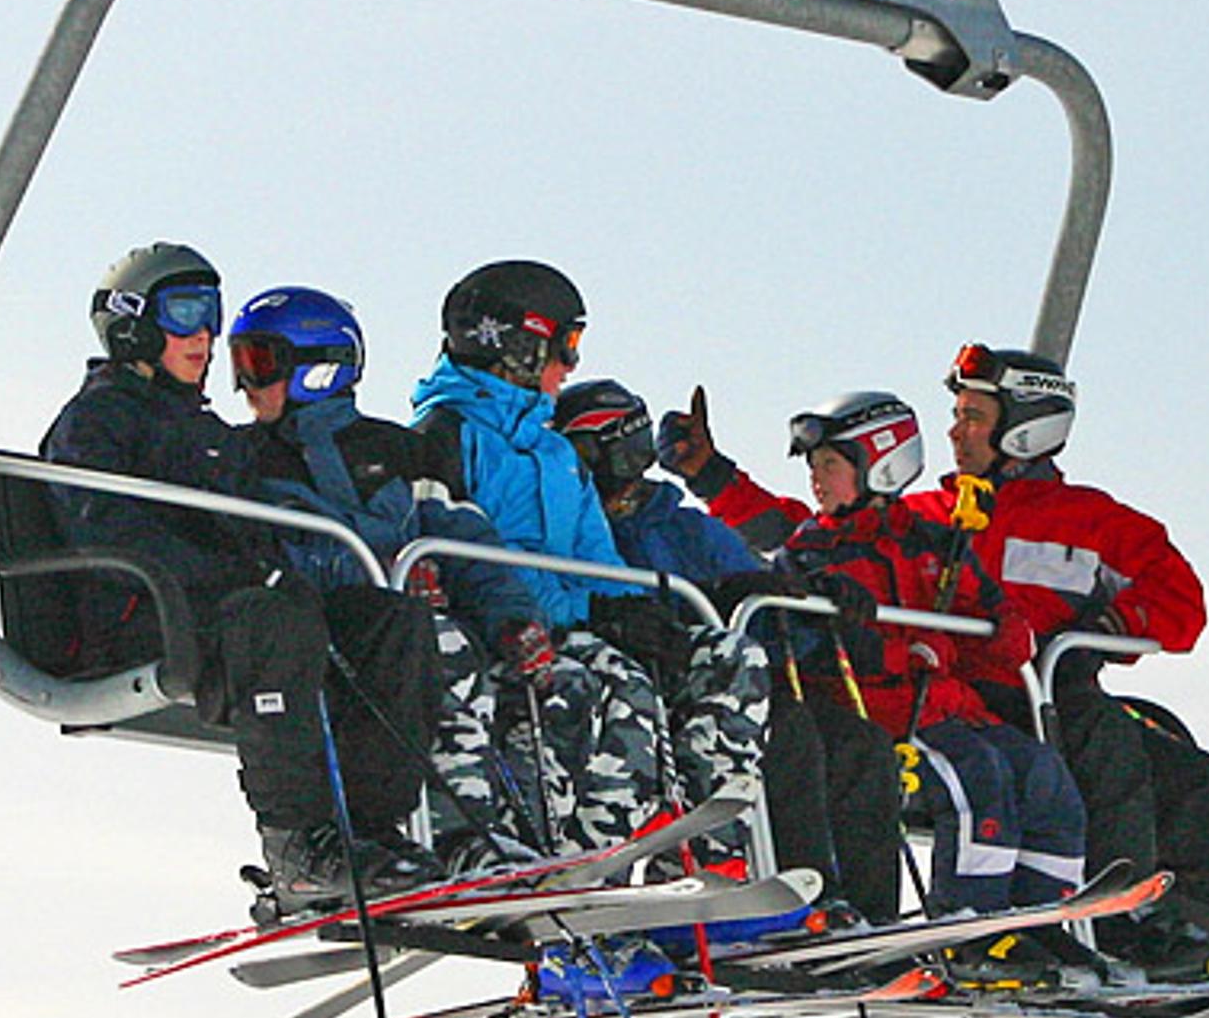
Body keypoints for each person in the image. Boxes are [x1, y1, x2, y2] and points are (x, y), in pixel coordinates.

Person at [16, 241, 438, 914]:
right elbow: (104, 526)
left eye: (212, 313)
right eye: (184, 312)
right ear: (133, 324)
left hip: (229, 610)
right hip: (140, 613)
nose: (204, 334)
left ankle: (369, 832)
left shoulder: (204, 429)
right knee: (271, 618)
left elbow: (255, 529)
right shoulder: (100, 419)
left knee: (389, 620)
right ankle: (297, 844)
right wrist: (227, 578)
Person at [680, 388, 1088, 934]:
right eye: (814, 466)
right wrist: (836, 618)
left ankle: (1043, 923)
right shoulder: (811, 554)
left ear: (882, 465)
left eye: (830, 464)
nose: (817, 479)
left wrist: (962, 634)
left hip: (950, 709)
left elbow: (1005, 635)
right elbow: (794, 643)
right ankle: (972, 926)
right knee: (978, 779)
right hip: (885, 714)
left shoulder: (932, 542)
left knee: (1045, 776)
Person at [938, 341, 1209, 977]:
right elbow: (819, 537)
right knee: (1105, 743)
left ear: (1024, 429)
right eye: (959, 415)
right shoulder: (935, 519)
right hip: (970, 698)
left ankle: (1191, 946)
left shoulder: (1092, 522)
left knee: (1200, 780)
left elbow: (1180, 605)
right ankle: (1123, 921)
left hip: (1053, 692)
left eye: (973, 417)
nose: (955, 432)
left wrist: (1108, 625)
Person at [226, 282, 544, 868]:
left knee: (556, 681)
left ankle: (551, 844)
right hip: (341, 629)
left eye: (260, 363)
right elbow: (268, 555)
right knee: (440, 648)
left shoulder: (399, 451)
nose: (247, 384)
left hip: (405, 622)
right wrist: (387, 577)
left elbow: (466, 540)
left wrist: (515, 620)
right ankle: (455, 839)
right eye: (240, 364)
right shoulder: (245, 458)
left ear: (318, 367)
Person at [555, 377, 893, 922]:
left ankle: (871, 917)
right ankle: (807, 897)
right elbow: (616, 602)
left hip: (725, 683)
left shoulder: (684, 527)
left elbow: (763, 591)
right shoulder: (584, 528)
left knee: (861, 742)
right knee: (788, 733)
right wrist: (713, 602)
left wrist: (816, 600)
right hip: (649, 685)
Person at [404, 261, 700, 852]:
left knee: (715, 659)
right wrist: (588, 617)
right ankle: (558, 854)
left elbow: (596, 557)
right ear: (518, 347)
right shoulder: (443, 436)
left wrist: (631, 613)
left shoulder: (557, 453)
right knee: (609, 688)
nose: (572, 366)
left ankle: (707, 851)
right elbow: (477, 556)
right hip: (503, 629)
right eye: (565, 346)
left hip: (573, 622)